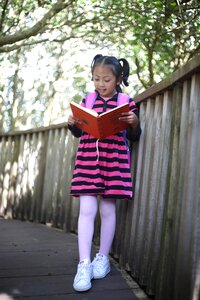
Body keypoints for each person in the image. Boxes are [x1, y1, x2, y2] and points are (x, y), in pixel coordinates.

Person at [68, 54, 141, 292]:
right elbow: (79, 133)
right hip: (89, 160)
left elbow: (134, 137)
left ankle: (102, 258)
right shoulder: (87, 100)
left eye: (106, 79)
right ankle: (84, 263)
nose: (100, 84)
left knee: (107, 210)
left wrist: (134, 123)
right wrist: (73, 123)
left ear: (118, 79)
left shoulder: (126, 101)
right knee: (86, 210)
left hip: (114, 162)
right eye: (96, 79)